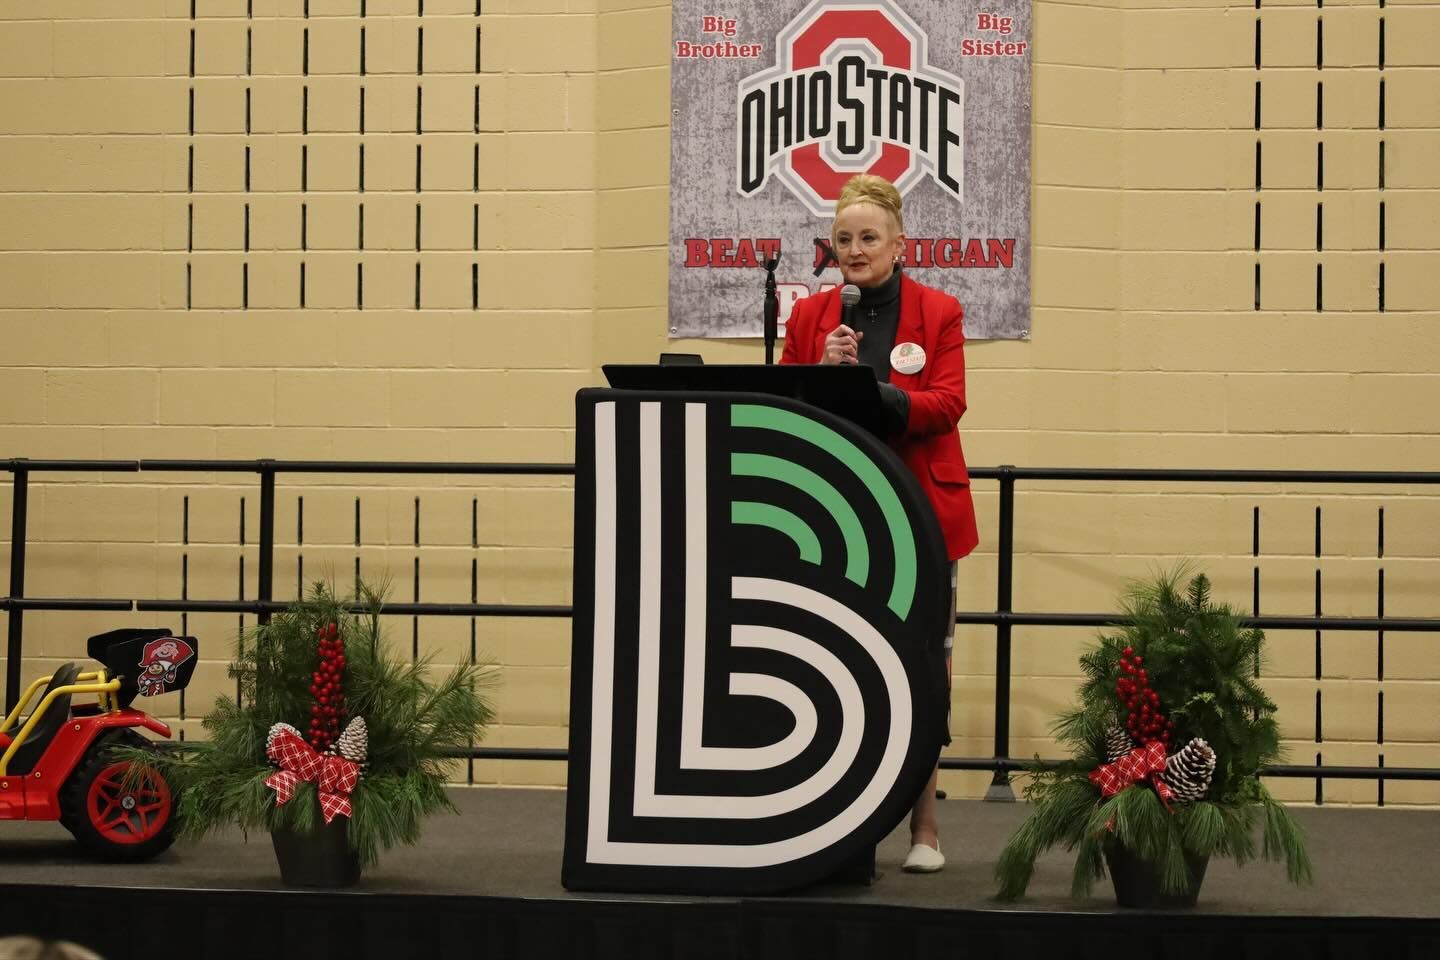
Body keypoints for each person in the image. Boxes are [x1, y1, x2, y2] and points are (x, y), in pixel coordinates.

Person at [780, 173, 979, 873]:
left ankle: (925, 830)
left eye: (869, 238)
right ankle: (837, 822)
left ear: (899, 244)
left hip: (921, 510)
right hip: (838, 513)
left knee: (927, 663)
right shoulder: (812, 317)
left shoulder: (940, 310)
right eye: (843, 240)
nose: (855, 251)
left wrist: (877, 392)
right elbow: (784, 402)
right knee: (838, 656)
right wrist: (819, 371)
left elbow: (948, 404)